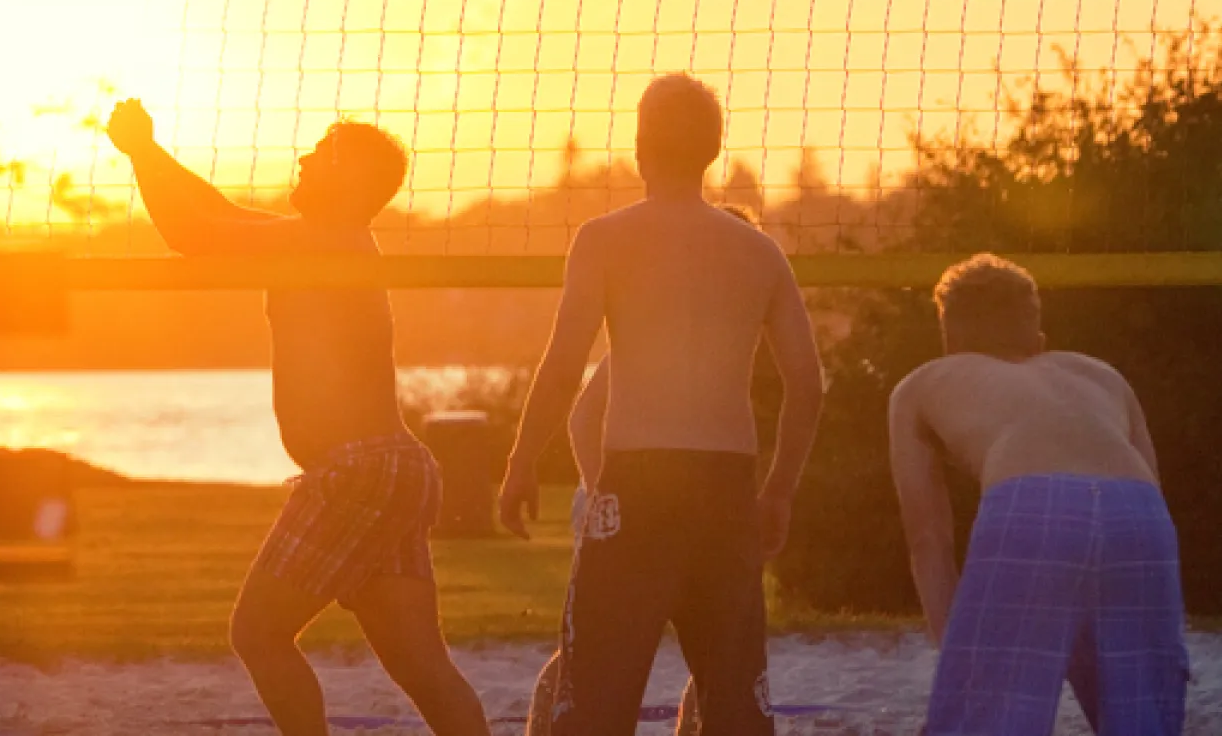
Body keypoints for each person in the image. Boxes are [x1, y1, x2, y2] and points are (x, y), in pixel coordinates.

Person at [106, 99, 490, 736]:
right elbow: (219, 214)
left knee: (258, 633)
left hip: (360, 472)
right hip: (395, 469)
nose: (304, 159)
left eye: (320, 154)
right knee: (425, 670)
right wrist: (149, 150)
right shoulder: (318, 239)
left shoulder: (318, 240)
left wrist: (142, 152)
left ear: (346, 181)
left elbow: (194, 235)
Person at [499, 74, 825, 736]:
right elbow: (808, 382)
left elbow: (565, 365)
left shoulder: (605, 238)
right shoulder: (758, 250)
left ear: (641, 145)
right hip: (726, 487)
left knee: (593, 696)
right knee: (735, 700)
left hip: (637, 485)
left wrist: (522, 462)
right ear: (714, 149)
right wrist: (780, 490)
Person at [887, 253, 1187, 736]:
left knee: (985, 720)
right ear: (1036, 326)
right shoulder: (1100, 374)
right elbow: (1150, 489)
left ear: (950, 334)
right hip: (1140, 516)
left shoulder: (922, 384)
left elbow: (927, 537)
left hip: (1030, 508)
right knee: (1143, 718)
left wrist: (960, 658)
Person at [523, 205, 779, 736]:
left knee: (714, 637)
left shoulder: (719, 333)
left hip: (678, 494)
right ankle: (544, 723)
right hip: (617, 497)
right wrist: (603, 495)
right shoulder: (649, 337)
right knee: (597, 649)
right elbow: (581, 419)